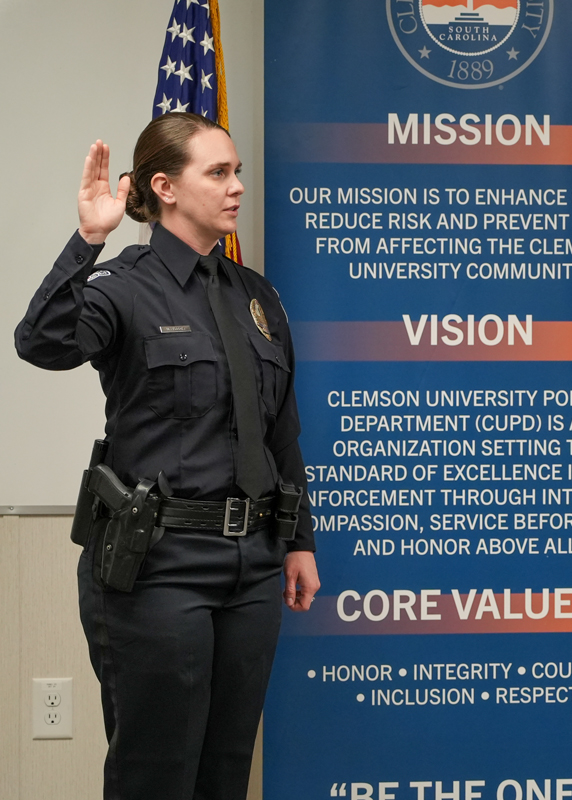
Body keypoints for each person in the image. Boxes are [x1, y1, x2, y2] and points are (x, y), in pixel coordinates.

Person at [14, 112, 320, 800]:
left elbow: (281, 431)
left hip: (252, 569)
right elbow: (42, 344)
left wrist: (298, 541)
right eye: (219, 172)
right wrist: (89, 240)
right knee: (156, 776)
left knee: (224, 773)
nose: (237, 185)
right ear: (165, 186)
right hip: (156, 570)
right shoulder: (123, 285)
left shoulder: (257, 297)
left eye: (236, 170)